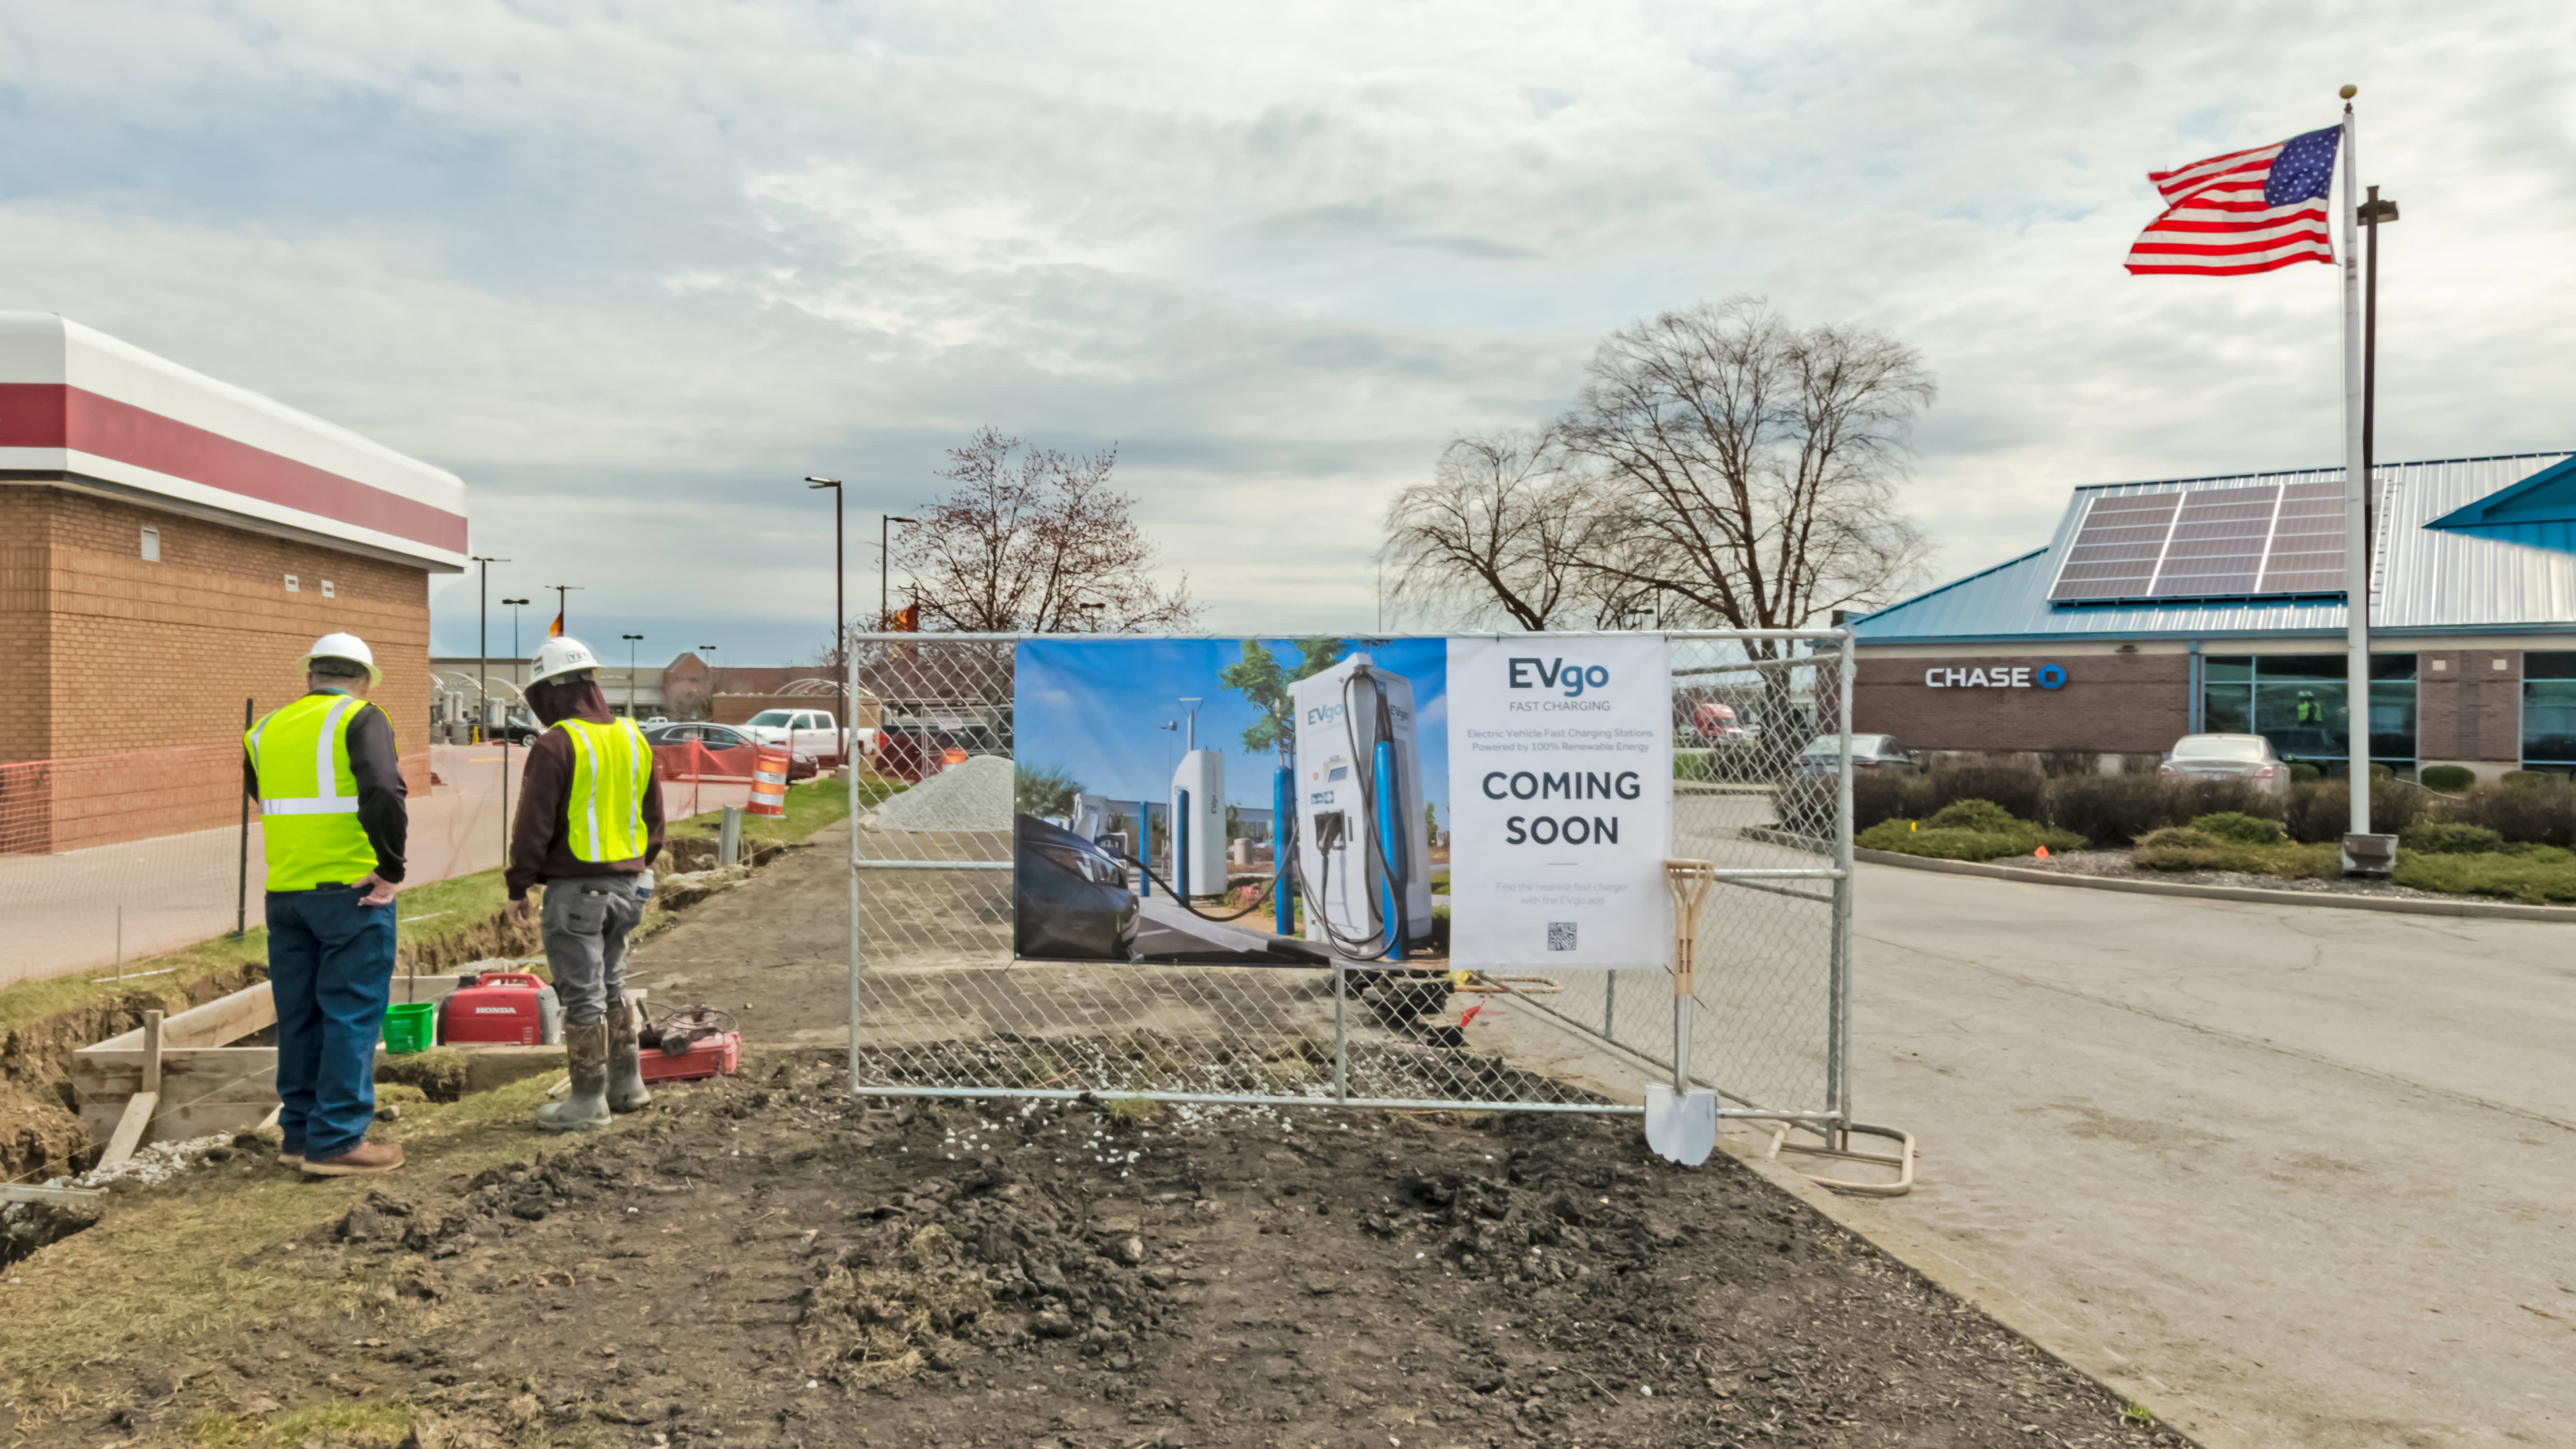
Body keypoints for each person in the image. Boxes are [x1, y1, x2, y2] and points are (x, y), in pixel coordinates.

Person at [244, 632, 408, 1177]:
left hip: (285, 892)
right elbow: (384, 790)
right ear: (363, 679)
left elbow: (262, 795)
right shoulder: (361, 718)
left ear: (310, 675)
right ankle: (337, 1140)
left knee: (300, 1016)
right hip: (350, 894)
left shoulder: (264, 729)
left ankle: (299, 1134)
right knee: (352, 1013)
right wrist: (390, 868)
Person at [506, 636, 665, 1131]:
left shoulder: (557, 743)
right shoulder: (632, 735)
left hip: (578, 891)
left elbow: (534, 821)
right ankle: (628, 1084)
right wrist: (638, 864)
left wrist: (519, 885)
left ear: (549, 690)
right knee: (613, 984)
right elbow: (654, 817)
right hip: (628, 885)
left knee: (582, 995)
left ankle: (588, 1101)